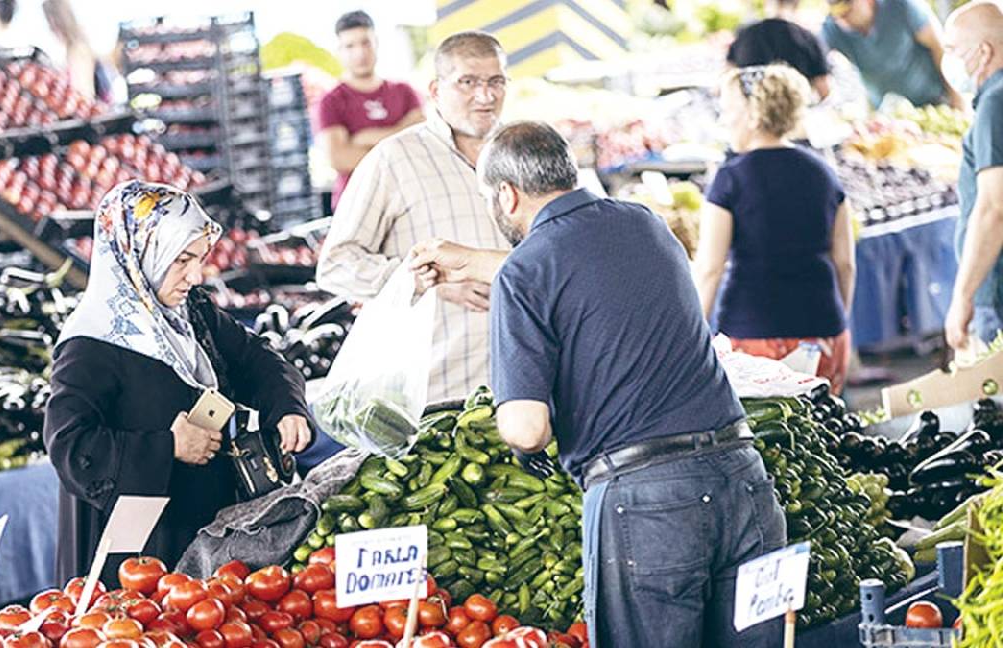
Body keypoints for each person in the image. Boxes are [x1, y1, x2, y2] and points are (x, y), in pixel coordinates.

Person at [409, 121, 786, 648]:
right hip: (744, 481)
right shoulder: (646, 225)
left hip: (649, 502)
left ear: (506, 194)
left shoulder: (526, 274)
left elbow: (525, 428)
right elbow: (575, 268)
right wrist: (473, 262)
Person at [44, 181, 313, 586]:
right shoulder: (91, 344)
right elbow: (70, 447)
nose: (195, 274)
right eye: (181, 260)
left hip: (205, 527)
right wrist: (167, 447)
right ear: (139, 254)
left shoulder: (191, 314)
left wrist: (287, 406)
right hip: (136, 548)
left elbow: (256, 357)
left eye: (199, 258)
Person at [315, 31, 512, 404]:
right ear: (436, 91)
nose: (485, 96)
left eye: (496, 81)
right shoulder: (394, 159)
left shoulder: (521, 154)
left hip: (523, 385)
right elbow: (336, 264)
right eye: (468, 82)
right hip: (435, 394)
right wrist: (427, 283)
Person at [693, 65, 856, 393]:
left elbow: (709, 269)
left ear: (753, 114)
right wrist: (838, 320)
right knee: (827, 431)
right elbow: (845, 263)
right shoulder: (823, 173)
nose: (724, 121)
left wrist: (691, 338)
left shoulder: (730, 179)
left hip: (752, 337)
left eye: (728, 111)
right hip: (825, 331)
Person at [316, 11, 424, 210]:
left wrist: (364, 138)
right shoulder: (331, 101)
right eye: (350, 46)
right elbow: (340, 158)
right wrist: (399, 135)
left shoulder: (405, 92)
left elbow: (421, 143)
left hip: (407, 203)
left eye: (366, 43)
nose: (360, 53)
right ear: (339, 50)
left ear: (376, 43)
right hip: (356, 206)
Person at [943, 1, 1003, 349]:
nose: (947, 58)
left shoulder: (995, 103)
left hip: (995, 290)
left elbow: (994, 207)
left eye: (952, 49)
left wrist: (963, 296)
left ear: (983, 52)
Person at [821, 0, 963, 109]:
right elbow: (818, 60)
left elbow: (939, 48)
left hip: (932, 101)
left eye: (848, 12)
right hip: (886, 113)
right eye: (838, 15)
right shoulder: (832, 29)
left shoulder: (902, 6)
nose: (843, 20)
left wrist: (957, 98)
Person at [727, 0, 834, 99]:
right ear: (796, 5)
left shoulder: (745, 34)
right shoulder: (808, 39)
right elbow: (824, 90)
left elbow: (726, 79)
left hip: (751, 112)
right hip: (794, 113)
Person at [42, 0, 112, 102]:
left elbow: (84, 93)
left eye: (50, 21)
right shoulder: (78, 45)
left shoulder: (78, 50)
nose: (50, 28)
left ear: (59, 20)